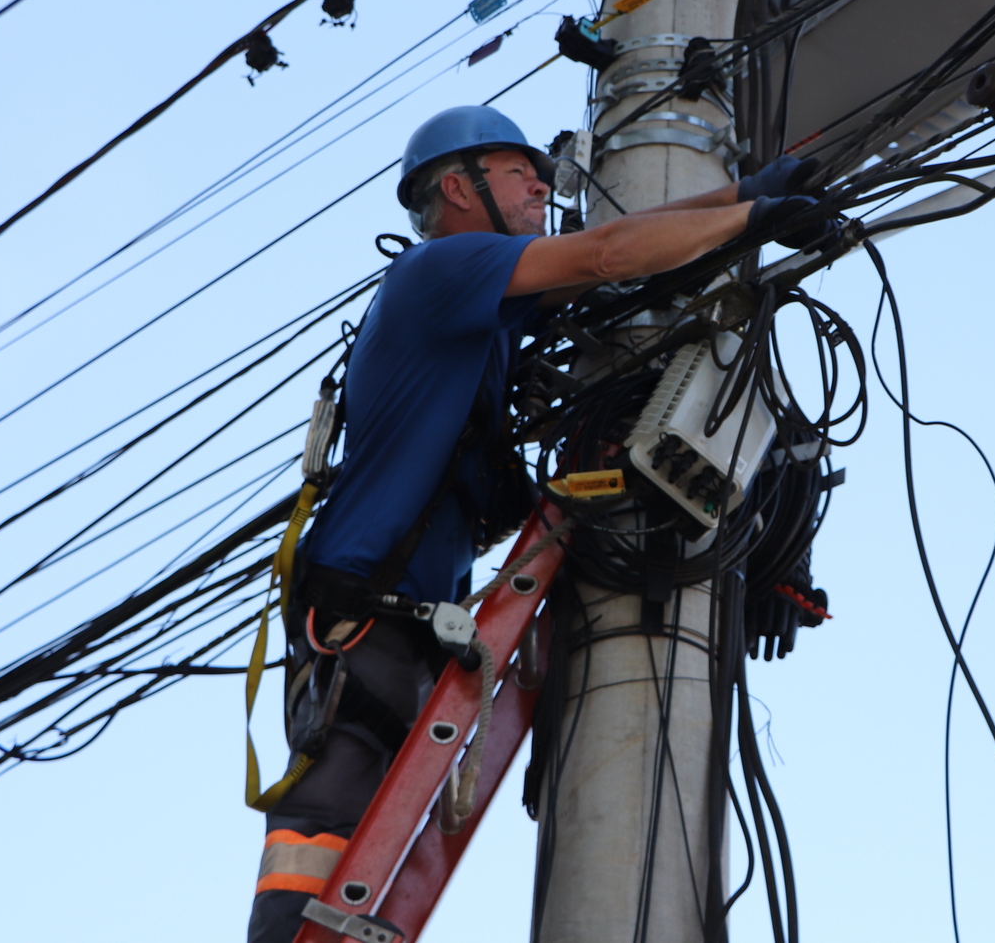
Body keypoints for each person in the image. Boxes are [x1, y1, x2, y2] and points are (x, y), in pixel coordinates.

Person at [246, 104, 817, 942]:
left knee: (362, 865)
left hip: (402, 628)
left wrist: (740, 193)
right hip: (363, 620)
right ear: (457, 186)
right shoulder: (440, 272)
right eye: (522, 173)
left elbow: (596, 268)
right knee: (321, 844)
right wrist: (754, 218)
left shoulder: (483, 302)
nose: (543, 187)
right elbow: (608, 253)